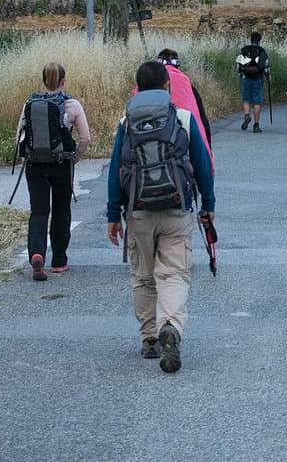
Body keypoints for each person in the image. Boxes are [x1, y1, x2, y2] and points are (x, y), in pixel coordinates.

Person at [107, 61, 216, 373]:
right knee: (174, 274)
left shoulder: (126, 121)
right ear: (169, 86)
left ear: (137, 88)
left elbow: (116, 170)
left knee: (143, 275)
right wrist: (208, 205)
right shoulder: (182, 117)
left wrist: (113, 214)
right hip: (176, 207)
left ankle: (150, 338)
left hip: (137, 210)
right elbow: (203, 165)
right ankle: (170, 325)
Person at [16, 62, 91, 281]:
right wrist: (74, 158)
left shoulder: (29, 103)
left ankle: (37, 254)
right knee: (61, 211)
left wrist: (28, 158)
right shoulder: (72, 105)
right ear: (63, 81)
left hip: (35, 165)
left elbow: (19, 136)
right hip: (61, 164)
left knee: (38, 211)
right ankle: (59, 260)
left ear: (43, 81)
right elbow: (85, 138)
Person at [152, 48, 213, 159]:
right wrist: (209, 158)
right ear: (177, 65)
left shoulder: (145, 83)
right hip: (182, 141)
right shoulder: (186, 83)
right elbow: (202, 121)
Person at [236, 31, 270, 133]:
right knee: (257, 102)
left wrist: (241, 74)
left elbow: (239, 66)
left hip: (246, 78)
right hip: (258, 79)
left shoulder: (245, 50)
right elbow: (266, 66)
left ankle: (247, 115)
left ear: (250, 39)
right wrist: (267, 75)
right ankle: (256, 125)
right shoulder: (262, 51)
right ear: (259, 40)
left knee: (246, 99)